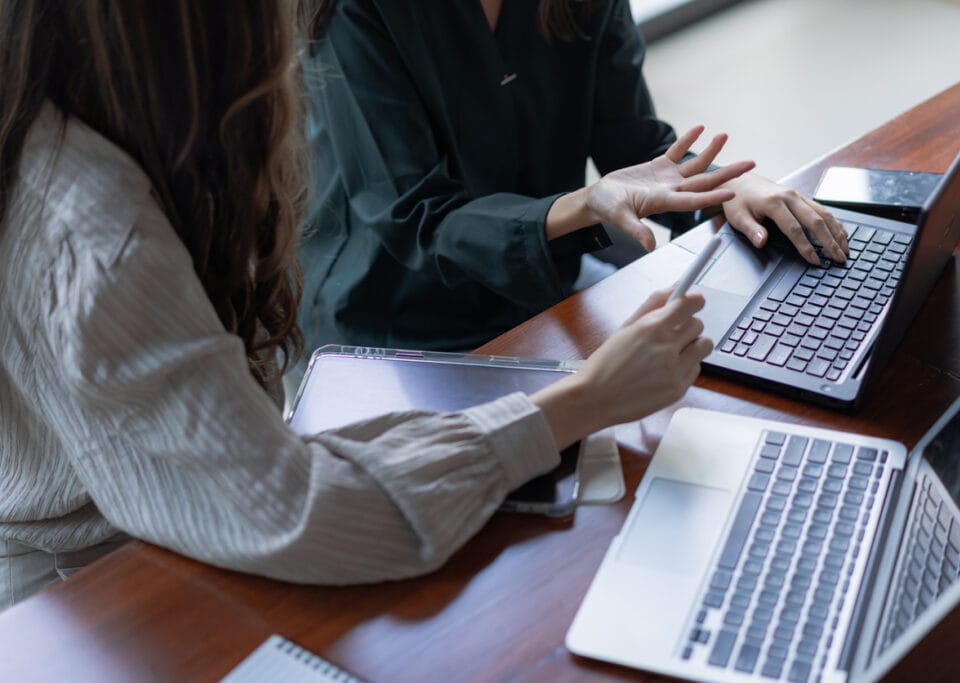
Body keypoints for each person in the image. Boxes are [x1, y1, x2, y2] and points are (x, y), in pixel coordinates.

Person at [0, 0, 724, 611]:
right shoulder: (98, 238)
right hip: (100, 589)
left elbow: (636, 142)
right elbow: (304, 509)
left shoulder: (77, 132)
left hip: (175, 519)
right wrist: (584, 400)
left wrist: (723, 188)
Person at [297, 0, 851, 356]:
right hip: (393, 317)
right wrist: (586, 203)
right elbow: (416, 214)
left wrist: (730, 188)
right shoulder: (356, 10)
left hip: (542, 291)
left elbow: (634, 144)